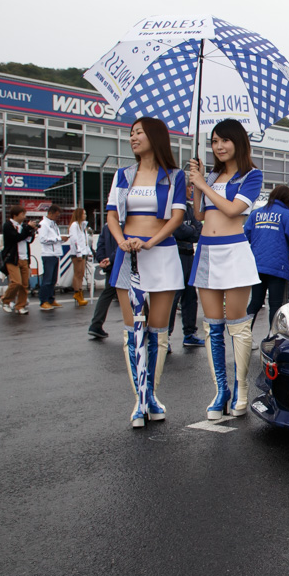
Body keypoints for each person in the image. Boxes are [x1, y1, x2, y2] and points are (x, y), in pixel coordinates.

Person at [106, 116, 187, 427]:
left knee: (157, 332)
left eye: (138, 132)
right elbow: (112, 215)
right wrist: (122, 242)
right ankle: (139, 401)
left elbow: (177, 217)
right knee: (132, 332)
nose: (133, 138)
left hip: (161, 255)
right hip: (128, 256)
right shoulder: (123, 175)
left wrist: (150, 242)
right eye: (131, 133)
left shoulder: (174, 176)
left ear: (155, 137)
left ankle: (151, 394)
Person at [189, 119, 262, 420]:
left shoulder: (251, 175)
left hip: (234, 252)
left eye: (225, 140)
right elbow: (198, 215)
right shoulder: (211, 175)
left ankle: (241, 388)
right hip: (206, 251)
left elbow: (233, 210)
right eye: (215, 141)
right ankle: (221, 391)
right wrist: (195, 185)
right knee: (212, 326)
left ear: (238, 142)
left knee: (237, 324)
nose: (219, 146)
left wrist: (203, 184)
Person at [245, 184, 289, 330]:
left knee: (255, 302)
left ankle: (243, 335)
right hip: (278, 265)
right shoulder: (287, 215)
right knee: (275, 304)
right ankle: (273, 336)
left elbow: (246, 236)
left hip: (257, 265)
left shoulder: (256, 214)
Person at [168, 180, 205, 348]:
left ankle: (189, 333)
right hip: (175, 255)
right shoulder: (173, 207)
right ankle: (165, 337)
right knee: (172, 297)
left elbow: (199, 232)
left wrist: (189, 232)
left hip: (189, 255)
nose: (191, 190)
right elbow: (177, 229)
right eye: (189, 187)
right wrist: (191, 231)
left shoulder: (190, 209)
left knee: (190, 296)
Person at [0, 205, 37, 315]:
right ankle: (5, 300)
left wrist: (32, 230)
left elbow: (29, 240)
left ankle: (20, 306)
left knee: (24, 285)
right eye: (22, 214)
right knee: (16, 282)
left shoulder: (23, 226)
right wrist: (28, 228)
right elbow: (16, 237)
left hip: (24, 258)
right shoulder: (8, 226)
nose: (24, 217)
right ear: (15, 215)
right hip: (13, 258)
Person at [88, 228, 119, 339]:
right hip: (122, 263)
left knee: (107, 294)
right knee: (137, 292)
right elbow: (122, 244)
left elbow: (100, 245)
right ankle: (145, 321)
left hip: (111, 265)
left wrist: (102, 259)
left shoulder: (107, 227)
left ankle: (96, 324)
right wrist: (110, 259)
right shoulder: (126, 223)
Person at [36, 204, 66, 310]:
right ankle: (43, 301)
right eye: (56, 215)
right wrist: (59, 239)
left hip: (55, 254)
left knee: (53, 279)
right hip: (48, 254)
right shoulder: (43, 224)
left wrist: (61, 239)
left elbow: (54, 238)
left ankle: (50, 299)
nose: (57, 217)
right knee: (47, 279)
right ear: (50, 213)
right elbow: (43, 239)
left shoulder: (53, 224)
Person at [68, 207, 92, 307]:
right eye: (83, 214)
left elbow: (85, 241)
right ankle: (77, 293)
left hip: (83, 252)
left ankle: (80, 293)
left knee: (81, 274)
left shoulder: (83, 226)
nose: (85, 215)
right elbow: (74, 240)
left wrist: (88, 252)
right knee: (77, 273)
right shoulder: (74, 225)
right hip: (77, 253)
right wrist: (78, 252)